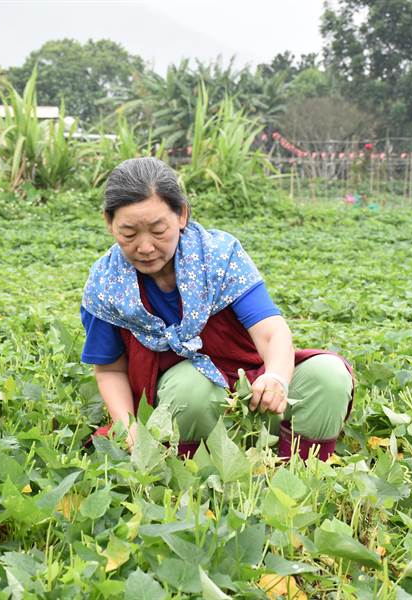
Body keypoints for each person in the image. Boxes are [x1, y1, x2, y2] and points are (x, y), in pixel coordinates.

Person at [80, 157, 354, 460]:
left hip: (250, 392)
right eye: (129, 234)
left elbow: (271, 333)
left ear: (181, 214)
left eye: (158, 230)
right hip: (178, 408)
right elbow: (109, 369)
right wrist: (128, 426)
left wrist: (275, 378)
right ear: (109, 222)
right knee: (192, 385)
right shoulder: (106, 283)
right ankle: (191, 474)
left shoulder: (219, 258)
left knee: (328, 375)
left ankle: (305, 470)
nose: (145, 247)